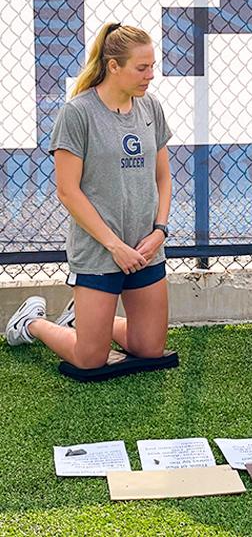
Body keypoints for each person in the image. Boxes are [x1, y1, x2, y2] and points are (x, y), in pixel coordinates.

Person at [4, 22, 173, 370]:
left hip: (145, 249)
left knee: (150, 349)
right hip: (100, 250)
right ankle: (31, 323)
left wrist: (159, 231)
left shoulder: (151, 109)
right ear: (114, 66)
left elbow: (164, 177)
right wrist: (114, 245)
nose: (151, 75)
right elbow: (67, 191)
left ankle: (80, 318)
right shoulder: (77, 113)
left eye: (152, 66)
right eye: (142, 67)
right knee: (90, 358)